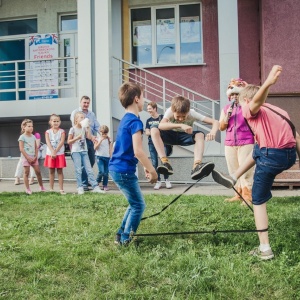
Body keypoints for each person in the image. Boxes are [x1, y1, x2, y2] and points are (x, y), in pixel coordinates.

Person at [212, 65, 300, 260]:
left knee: (259, 200)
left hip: (272, 157)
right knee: (258, 148)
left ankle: (264, 249)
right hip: (287, 155)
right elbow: (296, 136)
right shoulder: (278, 110)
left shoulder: (251, 108)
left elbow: (255, 101)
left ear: (245, 100)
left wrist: (267, 82)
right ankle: (234, 177)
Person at [109, 82, 158, 246]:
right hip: (123, 170)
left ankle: (120, 235)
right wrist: (153, 170)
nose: (144, 100)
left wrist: (143, 166)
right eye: (143, 97)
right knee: (138, 205)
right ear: (136, 99)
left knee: (133, 203)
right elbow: (138, 151)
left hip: (118, 168)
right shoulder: (136, 122)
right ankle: (125, 240)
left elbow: (130, 149)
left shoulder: (125, 119)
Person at [150, 95, 219, 180]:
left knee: (200, 135)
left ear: (188, 111)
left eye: (183, 116)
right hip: (170, 135)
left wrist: (213, 132)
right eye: (178, 116)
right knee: (154, 129)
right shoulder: (170, 111)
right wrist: (181, 125)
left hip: (184, 136)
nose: (180, 118)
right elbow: (161, 125)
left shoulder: (192, 113)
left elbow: (215, 122)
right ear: (173, 110)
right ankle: (165, 163)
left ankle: (196, 166)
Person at [219, 78, 254, 205]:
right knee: (233, 170)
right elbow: (221, 127)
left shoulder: (247, 106)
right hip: (230, 143)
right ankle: (238, 194)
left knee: (245, 171)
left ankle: (248, 196)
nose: (234, 96)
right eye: (232, 94)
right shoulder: (226, 109)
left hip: (246, 141)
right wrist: (227, 117)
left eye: (237, 94)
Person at [68, 111, 104, 195]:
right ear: (76, 120)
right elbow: (69, 141)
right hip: (76, 151)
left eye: (83, 117)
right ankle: (80, 187)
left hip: (84, 151)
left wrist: (87, 128)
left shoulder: (84, 128)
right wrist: (77, 138)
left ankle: (95, 187)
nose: (83, 119)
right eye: (81, 117)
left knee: (89, 169)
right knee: (78, 170)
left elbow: (88, 136)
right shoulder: (72, 129)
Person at [70, 95, 100, 191]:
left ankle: (86, 181)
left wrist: (102, 134)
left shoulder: (91, 114)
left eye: (87, 103)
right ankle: (83, 184)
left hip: (89, 139)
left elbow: (96, 126)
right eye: (84, 102)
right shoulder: (75, 112)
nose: (86, 104)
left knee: (91, 160)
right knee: (81, 164)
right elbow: (75, 127)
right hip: (79, 140)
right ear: (80, 102)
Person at [145, 101, 172, 190]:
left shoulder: (162, 118)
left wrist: (153, 132)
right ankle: (158, 181)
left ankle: (167, 180)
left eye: (150, 109)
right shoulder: (148, 121)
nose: (148, 110)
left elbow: (166, 129)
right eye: (147, 109)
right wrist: (154, 131)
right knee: (154, 163)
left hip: (162, 143)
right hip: (151, 144)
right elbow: (147, 132)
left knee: (164, 162)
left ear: (155, 108)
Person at [18, 119, 46, 194]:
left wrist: (35, 157)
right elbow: (21, 149)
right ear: (24, 127)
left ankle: (41, 187)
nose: (31, 128)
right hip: (26, 157)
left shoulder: (33, 137)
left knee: (38, 172)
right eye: (29, 126)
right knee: (26, 172)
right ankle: (27, 189)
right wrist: (27, 157)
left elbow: (36, 147)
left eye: (32, 126)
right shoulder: (22, 137)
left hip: (33, 157)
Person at [44, 114, 67, 194]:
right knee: (51, 171)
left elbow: (61, 141)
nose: (56, 123)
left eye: (57, 121)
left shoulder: (62, 132)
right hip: (50, 154)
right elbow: (47, 141)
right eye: (54, 121)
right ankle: (51, 188)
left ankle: (61, 189)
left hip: (59, 153)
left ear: (60, 122)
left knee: (60, 171)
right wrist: (52, 151)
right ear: (50, 122)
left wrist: (55, 151)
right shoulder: (48, 132)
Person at [94, 125, 112, 191]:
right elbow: (95, 148)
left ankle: (105, 185)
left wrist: (111, 156)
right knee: (101, 171)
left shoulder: (109, 139)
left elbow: (110, 148)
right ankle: (96, 182)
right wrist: (100, 141)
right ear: (100, 132)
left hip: (107, 157)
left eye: (105, 133)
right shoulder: (97, 138)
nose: (104, 135)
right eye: (102, 133)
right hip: (99, 156)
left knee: (106, 172)